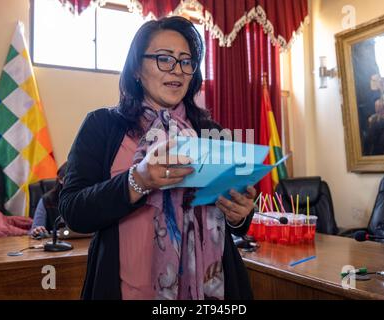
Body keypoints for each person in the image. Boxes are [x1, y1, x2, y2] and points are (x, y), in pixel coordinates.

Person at [59, 16, 256, 300]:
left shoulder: (209, 132)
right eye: (164, 59)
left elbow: (233, 216)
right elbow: (73, 211)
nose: (177, 70)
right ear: (137, 68)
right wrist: (138, 180)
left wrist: (240, 214)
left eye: (186, 61)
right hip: (127, 291)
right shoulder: (102, 125)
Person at [30, 162, 67, 238]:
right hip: (57, 245)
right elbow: (36, 230)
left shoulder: (85, 197)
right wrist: (38, 231)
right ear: (61, 180)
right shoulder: (47, 200)